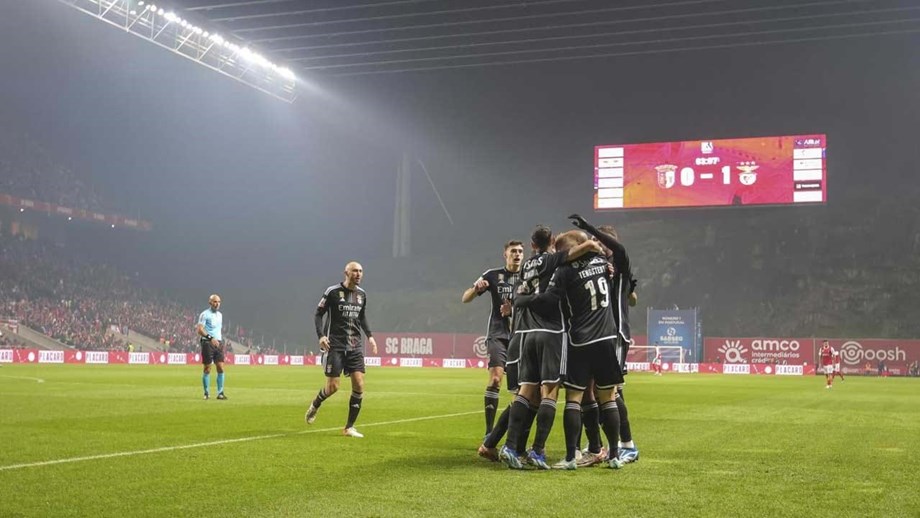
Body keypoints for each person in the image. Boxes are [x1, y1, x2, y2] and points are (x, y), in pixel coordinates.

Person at [515, 230, 626, 470]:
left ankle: (570, 457)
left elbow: (549, 300)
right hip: (608, 337)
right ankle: (614, 455)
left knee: (573, 399)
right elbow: (611, 252)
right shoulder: (603, 262)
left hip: (581, 340)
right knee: (608, 398)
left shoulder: (565, 271)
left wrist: (521, 300)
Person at [498, 225, 601, 469]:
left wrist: (525, 301)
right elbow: (580, 249)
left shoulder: (525, 266)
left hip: (527, 334)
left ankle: (510, 447)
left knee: (525, 390)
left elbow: (520, 296)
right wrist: (593, 243)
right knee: (549, 391)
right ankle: (538, 451)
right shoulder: (555, 262)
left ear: (532, 246)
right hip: (552, 332)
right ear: (552, 241)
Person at [570, 216, 641, 466]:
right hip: (597, 335)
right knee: (592, 390)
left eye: (599, 241)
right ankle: (596, 446)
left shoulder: (619, 263)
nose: (596, 245)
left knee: (611, 392)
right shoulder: (598, 267)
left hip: (616, 333)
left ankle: (627, 445)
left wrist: (588, 228)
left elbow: (620, 256)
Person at [305, 262, 378, 438]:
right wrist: (321, 335)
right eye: (355, 271)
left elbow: (362, 317)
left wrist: (370, 336)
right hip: (335, 345)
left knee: (359, 384)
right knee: (333, 387)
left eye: (361, 271)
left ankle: (349, 427)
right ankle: (315, 404)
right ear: (346, 272)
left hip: (355, 346)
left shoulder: (362, 295)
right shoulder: (332, 292)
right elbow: (318, 313)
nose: (358, 274)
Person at [462, 241, 524, 439]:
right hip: (498, 334)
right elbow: (465, 298)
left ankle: (515, 434)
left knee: (521, 388)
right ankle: (489, 432)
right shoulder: (492, 274)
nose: (517, 254)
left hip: (521, 336)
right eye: (513, 251)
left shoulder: (529, 275)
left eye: (521, 251)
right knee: (496, 379)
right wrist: (477, 289)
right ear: (505, 255)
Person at [197, 294, 227, 400]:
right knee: (207, 369)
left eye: (219, 302)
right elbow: (200, 329)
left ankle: (220, 393)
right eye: (215, 301)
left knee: (221, 367)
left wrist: (219, 340)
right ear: (210, 302)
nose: (217, 304)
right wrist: (211, 338)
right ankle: (206, 393)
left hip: (218, 343)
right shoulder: (204, 314)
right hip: (207, 343)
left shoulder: (220, 315)